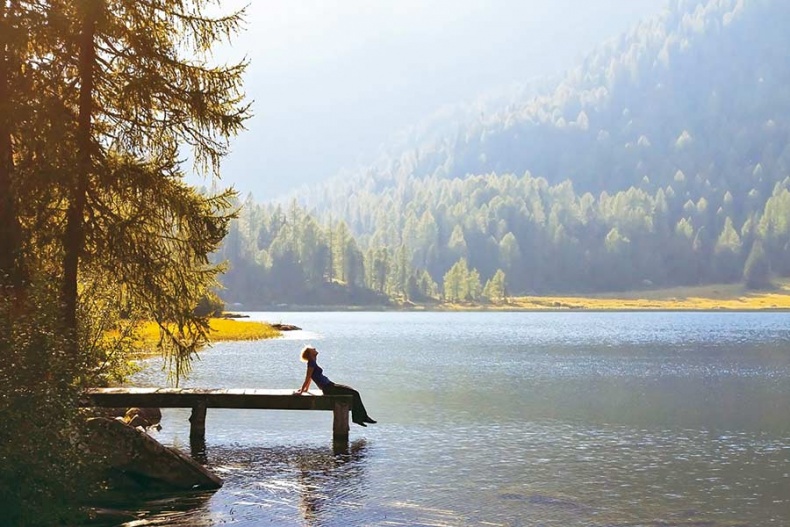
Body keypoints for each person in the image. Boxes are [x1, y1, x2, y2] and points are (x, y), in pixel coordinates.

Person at [295, 346, 377, 427]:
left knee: (353, 392)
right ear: (310, 354)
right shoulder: (311, 363)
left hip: (330, 385)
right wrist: (302, 391)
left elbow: (310, 377)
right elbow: (308, 377)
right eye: (312, 349)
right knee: (354, 393)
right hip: (328, 388)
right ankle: (361, 418)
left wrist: (306, 389)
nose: (314, 349)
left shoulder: (313, 361)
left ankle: (360, 417)